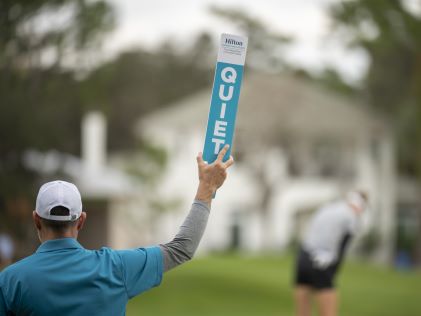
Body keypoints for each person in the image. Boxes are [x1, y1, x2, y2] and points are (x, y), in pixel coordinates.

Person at [0, 145, 234, 316]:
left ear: (36, 220)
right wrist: (206, 187)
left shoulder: (11, 281)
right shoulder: (115, 268)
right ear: (81, 221)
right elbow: (182, 248)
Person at [294, 191, 368, 316]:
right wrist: (333, 272)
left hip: (303, 257)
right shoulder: (351, 217)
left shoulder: (327, 208)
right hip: (322, 261)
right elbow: (342, 247)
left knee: (302, 311)